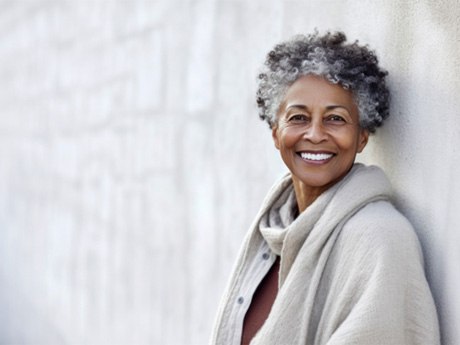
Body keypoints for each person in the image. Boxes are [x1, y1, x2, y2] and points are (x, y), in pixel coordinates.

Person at [210, 31, 440, 345]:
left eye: (335, 118)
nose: (316, 134)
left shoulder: (380, 238)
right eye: (298, 117)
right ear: (276, 133)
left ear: (362, 136)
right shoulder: (274, 230)